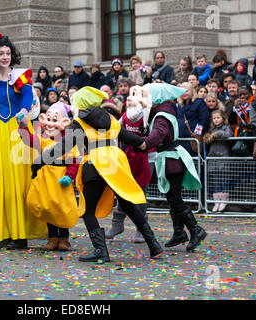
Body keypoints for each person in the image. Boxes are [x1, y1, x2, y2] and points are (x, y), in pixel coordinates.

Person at [33, 87, 164, 262]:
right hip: (115, 162)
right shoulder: (110, 118)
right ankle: (154, 244)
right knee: (128, 205)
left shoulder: (80, 122)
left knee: (88, 211)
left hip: (95, 163)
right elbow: (126, 135)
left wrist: (39, 162)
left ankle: (100, 250)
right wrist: (142, 143)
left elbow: (62, 147)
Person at [0, 33, 48, 249]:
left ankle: (20, 235)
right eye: (1, 53)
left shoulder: (19, 76)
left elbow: (28, 94)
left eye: (8, 53)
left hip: (18, 132)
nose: (6, 57)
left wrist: (25, 110)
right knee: (0, 185)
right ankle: (6, 232)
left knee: (19, 183)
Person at [138, 83, 207, 252]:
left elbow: (159, 133)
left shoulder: (162, 114)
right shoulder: (162, 111)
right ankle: (179, 232)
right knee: (172, 196)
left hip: (171, 159)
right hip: (170, 157)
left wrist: (145, 142)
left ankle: (195, 230)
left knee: (174, 197)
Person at [17, 102, 78, 251]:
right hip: (46, 180)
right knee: (49, 208)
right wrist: (23, 127)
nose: (50, 124)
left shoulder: (69, 140)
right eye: (48, 119)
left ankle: (64, 238)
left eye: (54, 120)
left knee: (61, 208)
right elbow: (30, 141)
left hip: (60, 180)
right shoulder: (43, 138)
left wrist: (69, 177)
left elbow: (74, 161)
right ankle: (52, 238)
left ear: (64, 122)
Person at [106, 85, 155, 243]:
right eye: (130, 95)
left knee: (140, 194)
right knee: (122, 190)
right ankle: (117, 224)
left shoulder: (149, 115)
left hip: (146, 157)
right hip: (128, 157)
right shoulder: (126, 116)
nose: (131, 99)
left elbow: (152, 133)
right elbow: (114, 130)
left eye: (135, 94)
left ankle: (141, 229)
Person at [203, 110, 233, 212]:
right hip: (213, 157)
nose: (216, 120)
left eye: (218, 118)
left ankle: (224, 200)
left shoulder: (226, 127)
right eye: (214, 118)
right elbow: (208, 140)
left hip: (223, 156)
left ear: (223, 118)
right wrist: (207, 138)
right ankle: (217, 201)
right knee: (215, 180)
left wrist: (218, 133)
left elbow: (229, 135)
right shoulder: (211, 129)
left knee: (224, 180)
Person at [175, 82, 210, 155]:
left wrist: (196, 133)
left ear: (192, 91)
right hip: (181, 141)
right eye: (182, 91)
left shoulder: (199, 102)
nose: (184, 93)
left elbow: (204, 121)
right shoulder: (178, 105)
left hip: (193, 141)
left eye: (186, 91)